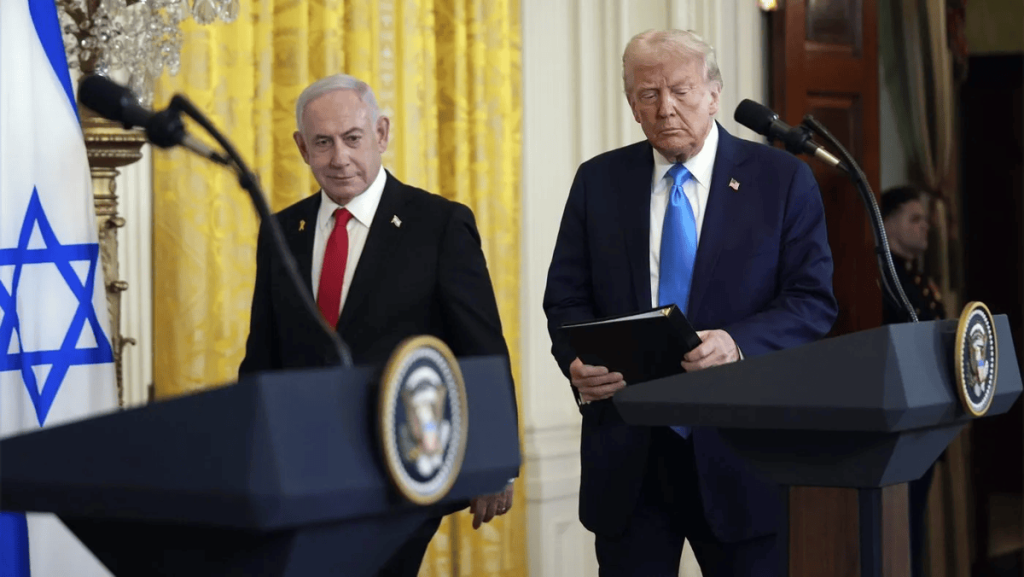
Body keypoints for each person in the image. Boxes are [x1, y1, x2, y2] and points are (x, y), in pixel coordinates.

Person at [543, 29, 838, 576]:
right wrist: (575, 364)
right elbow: (565, 299)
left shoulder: (781, 179)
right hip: (629, 454)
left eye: (680, 90)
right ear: (631, 105)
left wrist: (738, 342)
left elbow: (811, 301)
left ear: (714, 93)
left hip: (741, 455)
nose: (665, 108)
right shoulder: (599, 182)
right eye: (647, 95)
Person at [239, 74, 515, 577]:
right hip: (303, 472)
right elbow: (263, 354)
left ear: (381, 134)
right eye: (322, 143)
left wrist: (494, 457)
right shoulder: (281, 231)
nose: (339, 157)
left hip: (401, 467)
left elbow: (482, 347)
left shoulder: (439, 224)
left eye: (353, 138)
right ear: (302, 147)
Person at [881, 185, 946, 577]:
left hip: (930, 418)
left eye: (926, 220)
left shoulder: (920, 281)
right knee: (897, 538)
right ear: (887, 223)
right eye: (915, 219)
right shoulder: (883, 281)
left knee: (914, 533)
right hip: (899, 425)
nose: (926, 228)